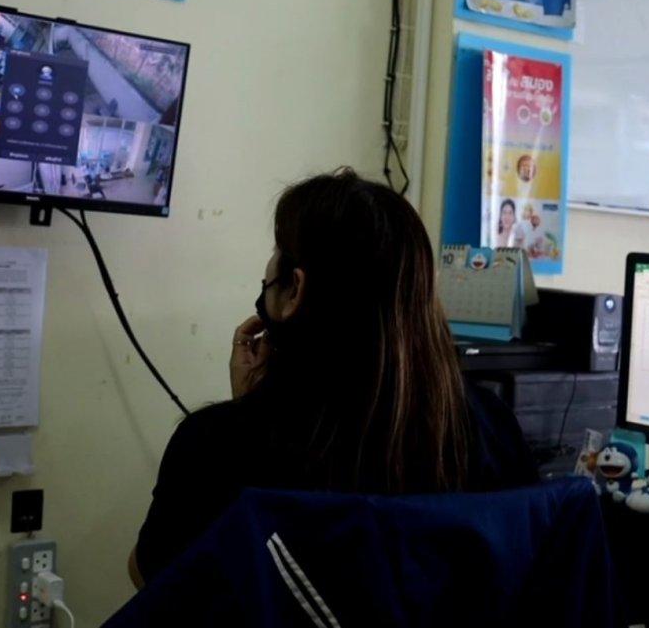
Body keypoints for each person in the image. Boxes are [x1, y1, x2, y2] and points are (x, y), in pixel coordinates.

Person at [129, 169, 537, 588]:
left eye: (277, 250)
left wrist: (244, 414)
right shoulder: (491, 427)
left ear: (294, 290)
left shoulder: (216, 444)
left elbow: (154, 583)